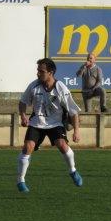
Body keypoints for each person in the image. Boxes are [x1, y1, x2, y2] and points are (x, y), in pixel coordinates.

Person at [17, 58, 83, 193]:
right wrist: (23, 115)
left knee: (62, 145)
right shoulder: (34, 86)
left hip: (56, 123)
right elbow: (23, 102)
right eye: (38, 71)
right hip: (37, 123)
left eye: (41, 71)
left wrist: (76, 131)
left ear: (50, 72)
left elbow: (73, 111)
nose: (38, 74)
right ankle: (20, 180)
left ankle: (73, 170)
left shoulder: (61, 88)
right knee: (27, 147)